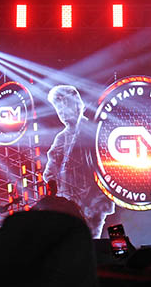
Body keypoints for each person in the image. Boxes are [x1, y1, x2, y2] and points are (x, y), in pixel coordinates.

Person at [42, 85, 114, 237]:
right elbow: (50, 169)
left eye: (64, 107)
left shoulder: (94, 129)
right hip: (69, 204)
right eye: (58, 109)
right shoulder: (62, 138)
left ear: (76, 104)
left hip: (94, 202)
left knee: (92, 240)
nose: (62, 113)